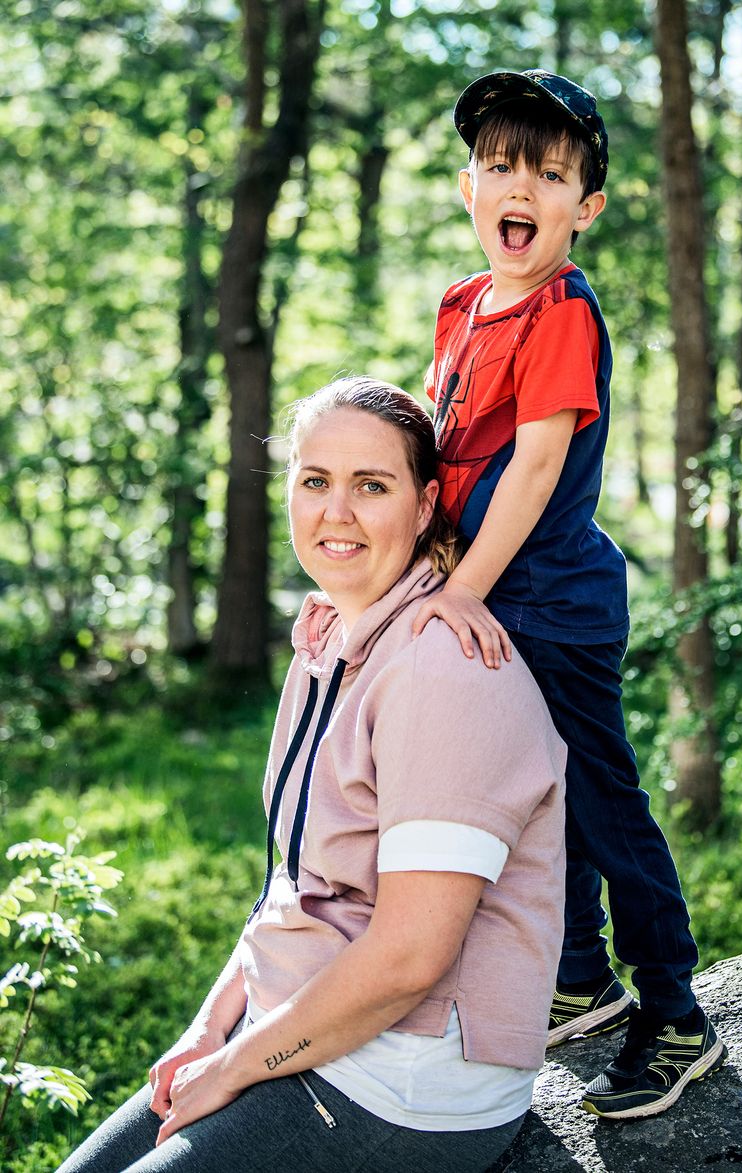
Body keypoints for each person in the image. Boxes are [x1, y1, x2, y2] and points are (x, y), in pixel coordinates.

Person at [58, 377, 568, 1173]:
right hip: (297, 1027)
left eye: (373, 485)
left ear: (428, 502)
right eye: (316, 481)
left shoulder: (446, 672)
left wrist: (232, 1065)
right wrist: (210, 1026)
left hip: (404, 1083)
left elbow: (409, 958)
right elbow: (297, 886)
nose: (338, 511)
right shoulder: (329, 638)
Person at [412, 69, 726, 1120]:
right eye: (499, 164)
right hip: (492, 597)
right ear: (467, 187)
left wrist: (464, 593)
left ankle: (674, 1012)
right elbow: (443, 432)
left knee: (599, 802)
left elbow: (535, 469)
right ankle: (577, 980)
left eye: (548, 173)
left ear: (582, 209)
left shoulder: (559, 311)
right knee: (534, 801)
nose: (520, 186)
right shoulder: (464, 303)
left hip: (550, 603)